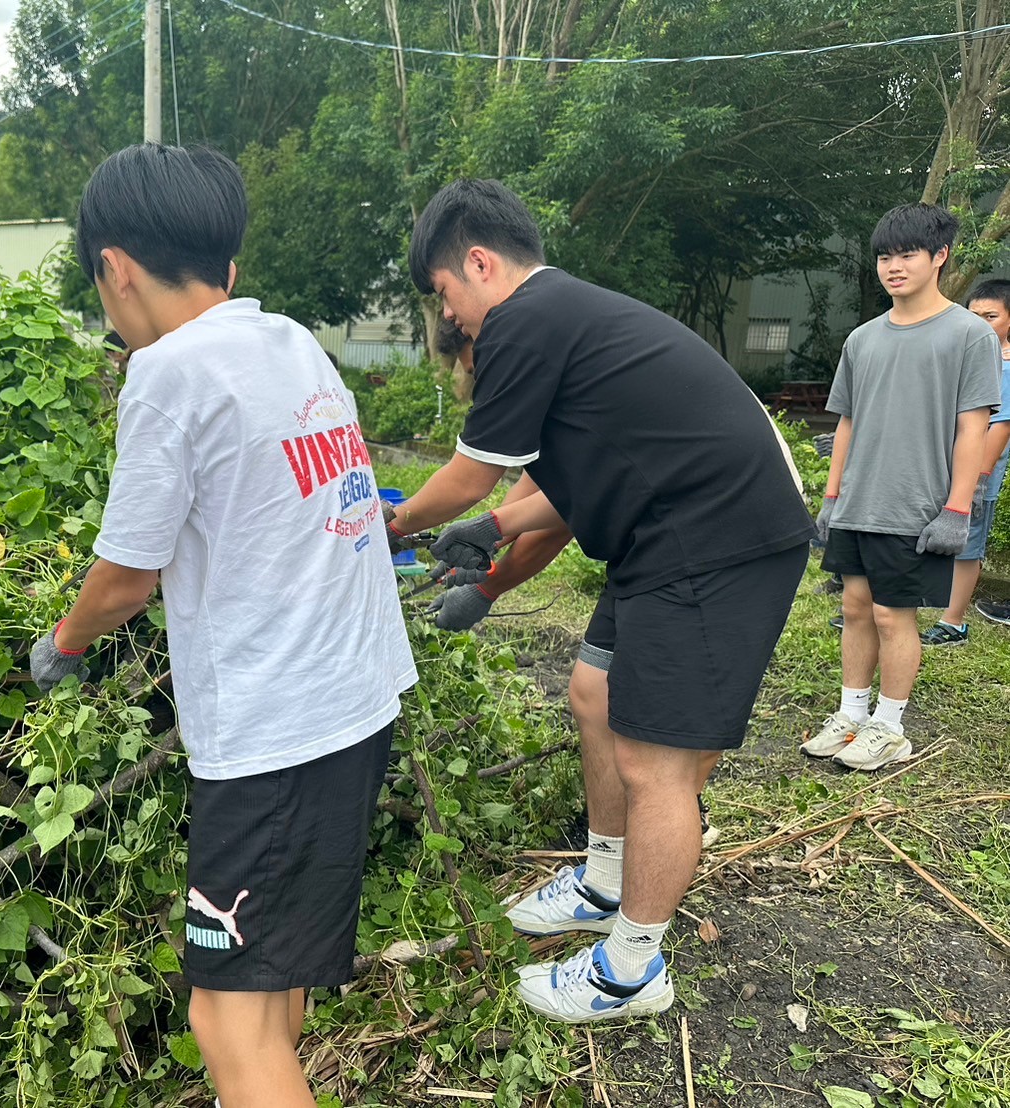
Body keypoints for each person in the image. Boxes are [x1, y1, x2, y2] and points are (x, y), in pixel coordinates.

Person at [28, 144, 416, 1108]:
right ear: (228, 266)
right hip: (353, 703)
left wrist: (63, 646)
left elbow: (123, 578)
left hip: (272, 738)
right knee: (267, 985)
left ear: (113, 266)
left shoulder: (167, 373)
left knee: (220, 1018)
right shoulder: (288, 343)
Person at [384, 178, 813, 1024]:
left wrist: (385, 524)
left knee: (657, 764)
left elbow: (471, 471)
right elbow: (566, 486)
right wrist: (494, 535)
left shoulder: (525, 320)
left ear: (476, 262)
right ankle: (604, 878)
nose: (452, 318)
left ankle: (630, 969)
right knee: (592, 694)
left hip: (713, 543)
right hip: (665, 533)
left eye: (443, 294)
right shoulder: (568, 321)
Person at [806, 204, 998, 770]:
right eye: (884, 256)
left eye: (906, 254)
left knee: (894, 614)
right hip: (860, 498)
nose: (893, 266)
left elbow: (974, 425)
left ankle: (889, 726)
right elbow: (847, 421)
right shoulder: (862, 339)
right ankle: (853, 713)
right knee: (856, 605)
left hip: (917, 504)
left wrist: (958, 507)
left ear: (939, 257)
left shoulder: (968, 335)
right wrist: (832, 496)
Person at [920, 279, 1010, 644]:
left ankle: (954, 622)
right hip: (947, 465)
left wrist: (977, 478)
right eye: (974, 315)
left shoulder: (1007, 368)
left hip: (979, 471)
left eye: (991, 316)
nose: (980, 323)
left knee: (968, 543)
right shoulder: (968, 357)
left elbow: (1000, 427)